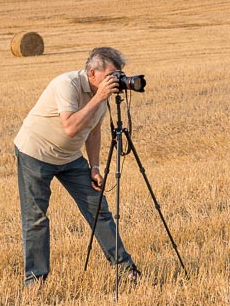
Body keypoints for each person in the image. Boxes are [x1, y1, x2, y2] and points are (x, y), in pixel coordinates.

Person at [13, 47, 140, 287]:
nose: (116, 81)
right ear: (92, 73)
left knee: (98, 208)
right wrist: (99, 97)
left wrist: (94, 166)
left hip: (70, 157)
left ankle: (126, 269)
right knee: (36, 218)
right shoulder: (67, 84)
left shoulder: (101, 96)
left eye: (119, 75)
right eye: (111, 75)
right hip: (36, 153)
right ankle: (35, 281)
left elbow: (93, 129)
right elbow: (71, 127)